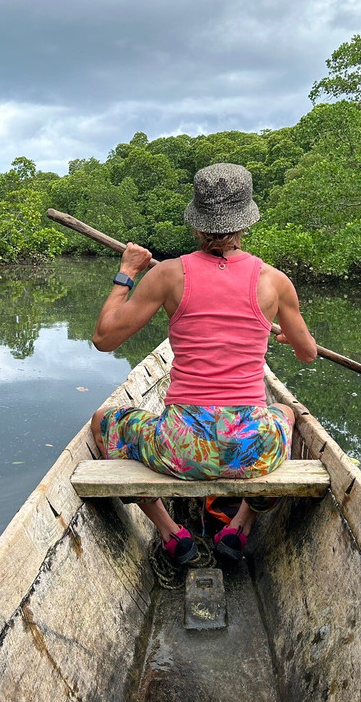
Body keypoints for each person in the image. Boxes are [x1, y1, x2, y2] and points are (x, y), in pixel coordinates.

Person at [89, 162, 318, 565]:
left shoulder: (168, 275)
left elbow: (105, 338)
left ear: (196, 221)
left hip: (181, 447)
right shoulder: (275, 281)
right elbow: (308, 353)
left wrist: (125, 273)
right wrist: (283, 331)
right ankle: (239, 526)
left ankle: (171, 532)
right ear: (246, 219)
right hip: (253, 448)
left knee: (104, 421)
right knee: (287, 412)